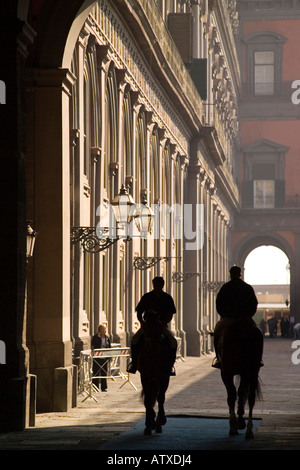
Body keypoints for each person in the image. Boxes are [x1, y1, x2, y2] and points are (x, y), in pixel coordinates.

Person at [127, 276, 177, 376]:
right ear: (153, 284)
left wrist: (164, 323)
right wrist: (142, 323)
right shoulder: (147, 297)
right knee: (135, 340)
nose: (157, 286)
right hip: (148, 326)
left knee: (173, 341)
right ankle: (134, 363)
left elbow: (171, 314)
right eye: (155, 284)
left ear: (162, 285)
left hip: (162, 326)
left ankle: (170, 365)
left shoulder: (167, 297)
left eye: (159, 284)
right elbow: (139, 312)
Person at [212, 265, 258, 368]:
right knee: (256, 333)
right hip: (245, 318)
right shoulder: (247, 287)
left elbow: (218, 304)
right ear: (240, 274)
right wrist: (248, 316)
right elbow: (254, 304)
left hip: (228, 318)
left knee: (217, 333)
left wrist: (224, 316)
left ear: (230, 274)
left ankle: (218, 359)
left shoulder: (225, 287)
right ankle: (258, 359)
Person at [91, 324, 111, 392]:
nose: (104, 331)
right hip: (97, 357)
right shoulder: (95, 337)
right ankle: (95, 386)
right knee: (96, 371)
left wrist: (109, 356)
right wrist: (99, 337)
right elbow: (94, 344)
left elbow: (109, 347)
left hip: (105, 357)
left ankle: (104, 387)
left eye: (105, 329)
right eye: (102, 329)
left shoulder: (107, 338)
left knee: (104, 372)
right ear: (99, 330)